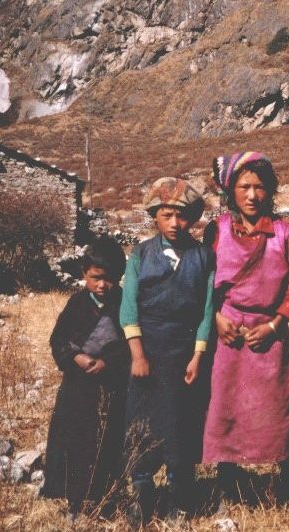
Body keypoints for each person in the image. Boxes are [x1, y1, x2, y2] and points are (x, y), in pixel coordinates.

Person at [202, 152, 289, 513]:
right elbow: (203, 284)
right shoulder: (216, 231)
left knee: (282, 409)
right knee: (225, 407)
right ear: (231, 191)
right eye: (244, 187)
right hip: (227, 335)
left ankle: (288, 486)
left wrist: (274, 325)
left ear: (270, 191)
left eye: (259, 187)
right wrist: (216, 317)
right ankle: (225, 485)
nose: (252, 195)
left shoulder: (284, 233)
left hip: (270, 335)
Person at [120, 177, 214, 528]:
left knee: (181, 423)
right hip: (148, 350)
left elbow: (207, 309)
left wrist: (198, 354)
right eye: (166, 215)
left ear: (192, 218)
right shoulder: (141, 255)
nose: (175, 223)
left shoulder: (204, 257)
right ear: (154, 217)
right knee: (142, 422)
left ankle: (179, 498)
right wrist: (138, 354)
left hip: (184, 352)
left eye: (182, 215)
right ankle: (142, 494)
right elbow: (129, 306)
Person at [41, 237, 130, 519]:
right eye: (96, 278)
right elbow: (59, 339)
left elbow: (131, 344)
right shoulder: (77, 303)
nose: (103, 285)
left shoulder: (124, 304)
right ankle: (75, 501)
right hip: (77, 389)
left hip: (110, 388)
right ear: (84, 274)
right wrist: (76, 358)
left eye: (110, 279)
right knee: (75, 444)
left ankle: (105, 498)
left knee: (107, 442)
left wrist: (108, 362)